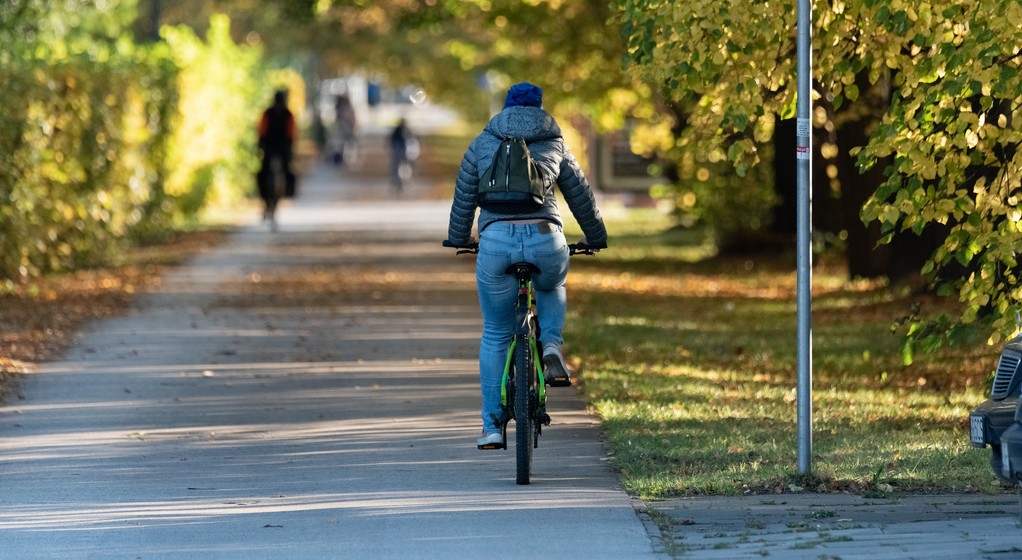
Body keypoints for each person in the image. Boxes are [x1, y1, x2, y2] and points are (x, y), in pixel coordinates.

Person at [446, 82, 608, 448]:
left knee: (496, 334)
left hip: (496, 241)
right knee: (552, 283)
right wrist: (595, 236)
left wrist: (459, 237)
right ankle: (550, 344)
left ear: (505, 109)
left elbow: (464, 196)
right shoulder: (554, 142)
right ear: (539, 109)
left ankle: (490, 426)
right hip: (545, 236)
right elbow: (581, 195)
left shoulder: (483, 142)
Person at [257, 89, 297, 229]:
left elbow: (261, 131)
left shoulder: (274, 113)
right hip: (273, 147)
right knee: (264, 174)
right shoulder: (285, 114)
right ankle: (269, 199)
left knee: (269, 172)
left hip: (277, 148)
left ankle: (286, 192)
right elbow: (262, 131)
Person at [389, 117, 419, 193]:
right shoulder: (403, 130)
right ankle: (399, 179)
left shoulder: (401, 130)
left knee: (401, 165)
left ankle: (403, 179)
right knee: (401, 165)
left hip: (401, 150)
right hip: (401, 150)